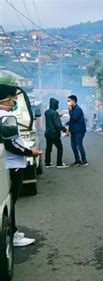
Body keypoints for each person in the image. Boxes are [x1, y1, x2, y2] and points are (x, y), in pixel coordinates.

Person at [0, 84, 42, 246]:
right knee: (9, 202)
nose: (15, 102)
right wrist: (30, 152)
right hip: (10, 165)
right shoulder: (4, 117)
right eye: (15, 99)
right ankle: (12, 235)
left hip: (7, 163)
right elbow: (11, 144)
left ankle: (13, 232)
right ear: (9, 100)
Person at [44, 97, 68, 168]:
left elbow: (51, 120)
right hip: (54, 134)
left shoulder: (46, 112)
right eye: (57, 104)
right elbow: (58, 125)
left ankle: (47, 163)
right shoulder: (55, 113)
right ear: (55, 105)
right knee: (60, 148)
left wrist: (58, 116)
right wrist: (64, 129)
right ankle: (59, 163)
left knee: (48, 148)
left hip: (47, 133)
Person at [66, 95, 88, 166]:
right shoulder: (73, 109)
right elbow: (71, 121)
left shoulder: (77, 109)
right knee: (73, 145)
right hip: (74, 130)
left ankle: (84, 160)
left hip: (79, 130)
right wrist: (68, 130)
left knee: (79, 145)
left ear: (73, 101)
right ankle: (77, 160)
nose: (68, 102)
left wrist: (70, 111)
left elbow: (74, 119)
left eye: (69, 101)